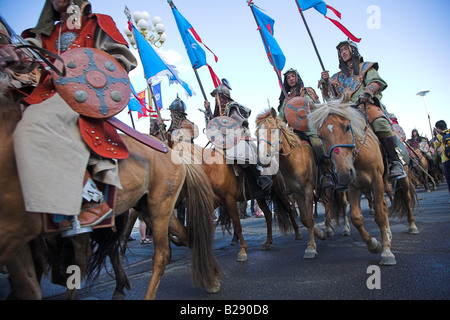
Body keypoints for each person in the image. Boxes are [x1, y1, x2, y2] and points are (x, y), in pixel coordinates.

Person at [0, 0, 137, 235]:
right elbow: (29, 58)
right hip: (43, 93)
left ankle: (90, 197)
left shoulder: (98, 23)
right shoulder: (45, 33)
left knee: (34, 125)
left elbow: (119, 61)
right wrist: (16, 55)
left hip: (82, 94)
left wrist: (86, 75)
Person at [319, 40, 406, 181]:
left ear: (353, 50)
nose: (343, 53)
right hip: (346, 112)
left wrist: (366, 93)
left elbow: (376, 82)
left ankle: (394, 161)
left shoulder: (366, 67)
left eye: (345, 49)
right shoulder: (336, 77)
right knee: (331, 133)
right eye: (341, 51)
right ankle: (338, 171)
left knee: (380, 123)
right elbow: (329, 97)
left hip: (365, 106)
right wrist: (325, 83)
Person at [278, 68, 335, 189]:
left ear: (297, 78)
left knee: (318, 145)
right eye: (288, 78)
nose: (291, 79)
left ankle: (326, 174)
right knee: (282, 150)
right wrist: (285, 105)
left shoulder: (307, 91)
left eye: (293, 76)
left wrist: (295, 102)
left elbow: (315, 106)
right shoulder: (286, 98)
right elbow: (282, 118)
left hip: (309, 127)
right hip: (293, 132)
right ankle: (288, 180)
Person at [434, 120, 450, 201]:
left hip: (446, 159)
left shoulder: (439, 136)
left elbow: (436, 144)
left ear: (438, 128)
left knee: (449, 179)